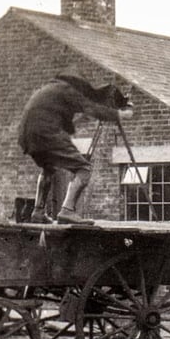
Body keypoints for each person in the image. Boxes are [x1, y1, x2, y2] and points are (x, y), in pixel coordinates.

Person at [18, 66, 133, 225]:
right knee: (84, 169)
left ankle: (38, 211)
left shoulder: (49, 90)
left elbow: (66, 121)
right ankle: (67, 210)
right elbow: (91, 108)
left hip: (27, 134)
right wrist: (120, 114)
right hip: (46, 132)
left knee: (48, 167)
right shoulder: (67, 89)